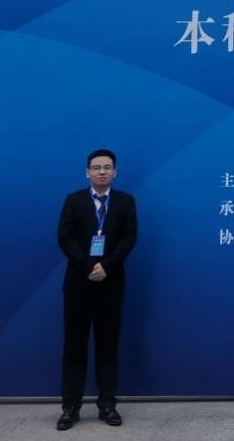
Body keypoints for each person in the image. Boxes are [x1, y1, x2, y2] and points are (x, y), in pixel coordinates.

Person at [56, 149, 137, 430]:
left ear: (115, 172)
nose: (102, 171)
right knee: (74, 348)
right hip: (78, 285)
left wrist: (107, 267)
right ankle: (70, 408)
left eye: (107, 167)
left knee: (107, 347)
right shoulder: (74, 200)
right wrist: (88, 266)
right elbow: (64, 237)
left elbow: (129, 238)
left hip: (110, 285)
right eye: (96, 167)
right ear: (87, 172)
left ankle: (107, 405)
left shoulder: (125, 202)